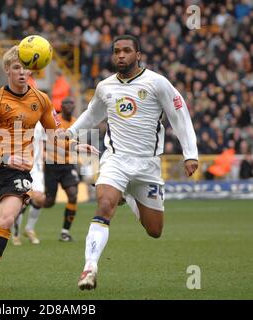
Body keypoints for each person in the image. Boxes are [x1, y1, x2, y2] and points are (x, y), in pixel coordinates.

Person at [0, 45, 96, 294]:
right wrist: (5, 157)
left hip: (17, 171)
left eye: (26, 67)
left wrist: (77, 145)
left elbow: (55, 134)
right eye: (16, 67)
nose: (22, 72)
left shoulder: (41, 100)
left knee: (6, 218)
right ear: (7, 70)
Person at [63, 35, 199, 290]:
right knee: (104, 205)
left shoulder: (157, 83)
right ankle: (89, 268)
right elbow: (92, 114)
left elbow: (179, 116)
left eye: (126, 51)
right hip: (116, 160)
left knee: (154, 230)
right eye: (116, 51)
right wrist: (70, 133)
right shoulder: (105, 87)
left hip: (148, 165)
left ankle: (131, 196)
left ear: (138, 54)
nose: (121, 55)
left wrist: (190, 153)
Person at [43, 96, 80, 241]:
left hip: (67, 164)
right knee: (49, 202)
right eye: (67, 103)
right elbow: (56, 144)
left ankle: (65, 232)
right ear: (62, 106)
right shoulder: (55, 121)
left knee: (73, 194)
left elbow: (76, 143)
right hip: (52, 164)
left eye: (72, 103)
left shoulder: (76, 122)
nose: (70, 106)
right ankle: (31, 202)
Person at [12, 121, 47, 245]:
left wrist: (42, 166)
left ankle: (29, 228)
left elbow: (41, 144)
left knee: (40, 199)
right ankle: (15, 234)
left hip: (35, 167)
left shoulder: (39, 123)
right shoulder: (16, 120)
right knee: (21, 202)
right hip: (19, 167)